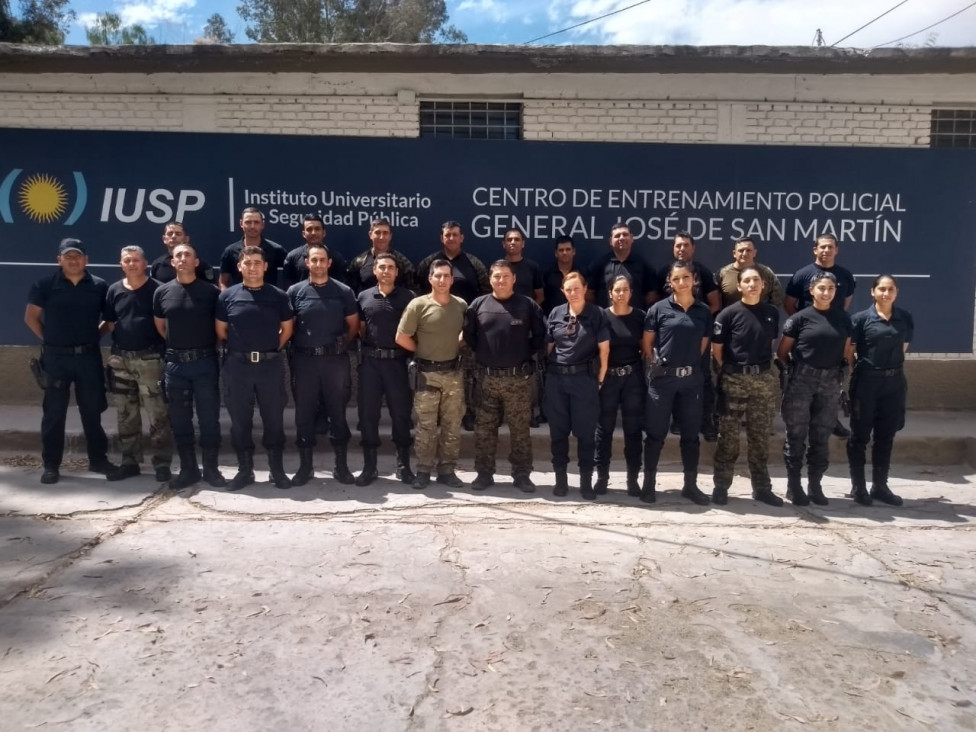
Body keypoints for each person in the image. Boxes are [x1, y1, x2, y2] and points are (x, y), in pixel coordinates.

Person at [24, 238, 117, 484]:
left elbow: (109, 321)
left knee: (92, 411)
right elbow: (31, 317)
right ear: (59, 260)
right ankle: (51, 465)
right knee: (53, 414)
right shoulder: (45, 285)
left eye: (77, 256)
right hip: (56, 359)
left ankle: (98, 460)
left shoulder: (99, 285)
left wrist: (92, 338)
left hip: (88, 357)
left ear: (86, 260)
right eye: (68, 256)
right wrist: (50, 339)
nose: (73, 260)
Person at [216, 246, 295, 490]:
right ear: (239, 267)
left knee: (273, 419)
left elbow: (287, 330)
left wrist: (267, 351)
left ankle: (277, 470)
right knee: (240, 420)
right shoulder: (227, 296)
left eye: (257, 263)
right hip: (237, 367)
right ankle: (245, 470)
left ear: (265, 267)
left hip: (269, 367)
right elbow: (221, 331)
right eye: (247, 263)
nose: (252, 267)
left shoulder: (279, 296)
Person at [463, 260, 546, 492]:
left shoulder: (527, 305)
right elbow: (469, 336)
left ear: (514, 279)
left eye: (505, 276)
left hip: (517, 380)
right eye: (496, 276)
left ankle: (521, 475)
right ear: (490, 279)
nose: (501, 280)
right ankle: (484, 473)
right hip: (486, 380)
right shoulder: (478, 305)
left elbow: (540, 336)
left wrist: (524, 355)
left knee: (520, 430)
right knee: (484, 430)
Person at [153, 243, 226, 491]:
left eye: (188, 255)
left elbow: (219, 330)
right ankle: (188, 469)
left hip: (205, 362)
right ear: (172, 262)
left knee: (209, 419)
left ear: (196, 262)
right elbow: (161, 328)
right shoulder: (161, 293)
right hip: (175, 366)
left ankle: (212, 469)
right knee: (180, 420)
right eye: (178, 256)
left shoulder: (211, 293)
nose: (183, 259)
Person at [286, 243, 359, 487]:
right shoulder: (295, 292)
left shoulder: (343, 291)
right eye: (313, 260)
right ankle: (305, 468)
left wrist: (338, 346)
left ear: (329, 263)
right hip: (304, 361)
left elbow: (353, 325)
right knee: (304, 414)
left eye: (322, 260)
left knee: (338, 412)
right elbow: (289, 327)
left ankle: (342, 466)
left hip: (334, 362)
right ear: (307, 263)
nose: (318, 264)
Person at [778, 271, 853, 506]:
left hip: (830, 383)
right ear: (811, 290)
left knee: (821, 436)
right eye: (821, 288)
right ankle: (794, 486)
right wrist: (797, 372)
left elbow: (847, 350)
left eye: (831, 289)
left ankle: (815, 485)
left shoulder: (843, 318)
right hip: (801, 382)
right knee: (796, 436)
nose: (826, 293)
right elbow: (782, 352)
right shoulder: (799, 319)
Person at [641, 261, 712, 506]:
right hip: (662, 381)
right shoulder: (658, 309)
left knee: (691, 436)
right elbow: (647, 344)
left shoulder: (703, 311)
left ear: (694, 279)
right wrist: (659, 365)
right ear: (669, 282)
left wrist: (687, 365)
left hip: (691, 382)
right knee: (655, 434)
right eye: (676, 278)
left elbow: (703, 346)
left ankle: (690, 486)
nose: (681, 282)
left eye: (686, 277)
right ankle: (648, 485)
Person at [710, 267, 782, 507]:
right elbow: (717, 351)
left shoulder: (771, 313)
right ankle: (721, 486)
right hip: (735, 382)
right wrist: (732, 373)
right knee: (728, 437)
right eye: (747, 281)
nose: (752, 284)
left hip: (763, 382)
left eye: (756, 280)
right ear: (739, 286)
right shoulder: (727, 315)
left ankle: (761, 488)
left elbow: (769, 345)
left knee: (759, 437)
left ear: (763, 285)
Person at [101, 245, 172, 482]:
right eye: (127, 260)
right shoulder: (113, 290)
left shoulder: (158, 290)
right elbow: (110, 323)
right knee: (125, 414)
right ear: (121, 264)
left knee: (158, 414)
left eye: (136, 260)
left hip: (150, 360)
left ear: (145, 263)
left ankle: (162, 463)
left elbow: (165, 326)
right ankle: (130, 461)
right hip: (121, 360)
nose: (131, 264)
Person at [396, 260, 468, 490]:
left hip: (453, 373)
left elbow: (465, 333)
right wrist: (423, 351)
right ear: (430, 278)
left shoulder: (461, 305)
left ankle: (447, 470)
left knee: (452, 424)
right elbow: (401, 337)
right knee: (426, 426)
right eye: (437, 275)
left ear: (452, 279)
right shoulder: (418, 305)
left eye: (446, 276)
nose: (442, 280)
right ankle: (424, 470)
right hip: (426, 373)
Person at [415, 221, 490, 433]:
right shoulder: (429, 262)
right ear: (442, 238)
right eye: (448, 235)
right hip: (435, 329)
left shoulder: (473, 263)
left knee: (467, 375)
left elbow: (485, 294)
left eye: (455, 235)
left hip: (465, 329)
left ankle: (468, 414)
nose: (451, 239)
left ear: (462, 238)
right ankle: (438, 414)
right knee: (438, 375)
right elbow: (417, 289)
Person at [847, 275, 913, 507]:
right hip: (867, 383)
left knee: (886, 435)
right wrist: (865, 373)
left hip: (894, 383)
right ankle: (859, 487)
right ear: (872, 292)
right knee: (860, 436)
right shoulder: (861, 319)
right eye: (882, 289)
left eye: (890, 289)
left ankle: (880, 486)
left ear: (896, 292)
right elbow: (849, 353)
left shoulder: (904, 318)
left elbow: (903, 348)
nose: (886, 293)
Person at [784, 233, 857, 439]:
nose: (826, 250)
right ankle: (803, 422)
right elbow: (789, 303)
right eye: (822, 247)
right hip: (807, 337)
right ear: (815, 250)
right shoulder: (802, 274)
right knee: (804, 384)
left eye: (830, 247)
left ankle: (831, 420)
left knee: (831, 383)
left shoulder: (845, 276)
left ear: (836, 250)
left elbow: (845, 305)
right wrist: (804, 326)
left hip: (834, 335)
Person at [545, 272, 609, 499]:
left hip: (584, 381)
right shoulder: (555, 313)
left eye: (576, 288)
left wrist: (600, 378)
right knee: (558, 434)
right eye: (568, 289)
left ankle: (585, 484)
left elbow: (604, 350)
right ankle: (561, 482)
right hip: (557, 381)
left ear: (585, 288)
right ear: (563, 291)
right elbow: (549, 347)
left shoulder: (596, 314)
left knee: (586, 435)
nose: (572, 293)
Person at [355, 252, 416, 486]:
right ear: (375, 271)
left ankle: (404, 466)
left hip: (397, 364)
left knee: (400, 414)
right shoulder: (363, 297)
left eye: (391, 267)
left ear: (397, 272)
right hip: (370, 363)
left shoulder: (408, 297)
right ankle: (369, 467)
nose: (387, 271)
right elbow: (360, 329)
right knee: (368, 415)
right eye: (382, 267)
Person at [659, 231, 721, 442]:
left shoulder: (702, 272)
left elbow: (715, 304)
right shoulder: (664, 272)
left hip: (697, 336)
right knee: (673, 378)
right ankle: (677, 419)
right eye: (678, 246)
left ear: (693, 248)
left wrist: (697, 322)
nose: (682, 249)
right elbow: (657, 306)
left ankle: (707, 422)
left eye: (686, 245)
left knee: (701, 378)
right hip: (672, 339)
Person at [594, 276, 646, 497]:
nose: (621, 294)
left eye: (625, 289)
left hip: (632, 378)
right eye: (617, 290)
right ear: (610, 293)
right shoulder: (601, 317)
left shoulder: (640, 317)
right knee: (603, 429)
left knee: (633, 431)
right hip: (608, 380)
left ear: (631, 292)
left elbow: (646, 348)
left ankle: (632, 479)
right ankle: (602, 478)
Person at [587, 222, 659, 309]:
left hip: (635, 319)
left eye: (625, 235)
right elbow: (589, 294)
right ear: (610, 241)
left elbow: (652, 296)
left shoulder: (643, 264)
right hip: (605, 319)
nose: (621, 238)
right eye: (617, 236)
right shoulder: (600, 264)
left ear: (632, 238)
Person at [219, 207, 288, 289]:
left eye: (256, 222)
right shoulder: (230, 251)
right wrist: (226, 298)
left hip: (269, 300)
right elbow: (223, 282)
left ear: (262, 225)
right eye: (248, 222)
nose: (252, 226)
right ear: (241, 223)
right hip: (240, 299)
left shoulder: (276, 250)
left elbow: (290, 277)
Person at [346, 217, 415, 294]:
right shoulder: (359, 262)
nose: (381, 237)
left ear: (390, 236)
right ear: (370, 235)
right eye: (377, 233)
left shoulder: (402, 262)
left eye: (385, 233)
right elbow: (351, 293)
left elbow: (412, 292)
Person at [281, 214, 349, 289]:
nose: (313, 233)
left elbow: (342, 287)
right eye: (309, 229)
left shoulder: (336, 258)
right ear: (304, 234)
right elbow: (288, 289)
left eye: (317, 229)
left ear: (324, 233)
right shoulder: (292, 257)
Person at [715, 236, 784, 310]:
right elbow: (714, 301)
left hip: (760, 318)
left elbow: (778, 299)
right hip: (731, 319)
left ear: (754, 253)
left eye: (748, 250)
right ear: (734, 253)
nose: (744, 254)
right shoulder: (722, 273)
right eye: (741, 250)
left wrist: (767, 314)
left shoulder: (766, 272)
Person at [149, 221, 214, 284]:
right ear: (164, 239)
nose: (173, 236)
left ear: (186, 239)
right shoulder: (157, 264)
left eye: (178, 234)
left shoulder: (201, 265)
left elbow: (211, 290)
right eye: (170, 234)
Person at [501, 228, 544, 304]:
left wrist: (530, 311)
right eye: (509, 240)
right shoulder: (496, 268)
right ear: (504, 244)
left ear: (523, 244)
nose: (513, 242)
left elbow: (540, 297)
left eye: (517, 239)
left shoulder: (533, 268)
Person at [542, 235, 576, 315]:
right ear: (556, 253)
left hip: (576, 318)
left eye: (568, 249)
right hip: (552, 320)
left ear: (574, 251)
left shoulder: (581, 273)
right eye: (561, 250)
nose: (564, 253)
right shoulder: (547, 274)